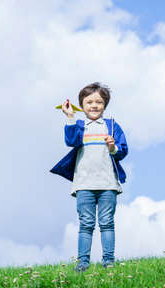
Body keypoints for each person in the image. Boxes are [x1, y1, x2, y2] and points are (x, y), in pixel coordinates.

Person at [50, 82, 128, 272]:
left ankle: (108, 261)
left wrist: (112, 148)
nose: (94, 106)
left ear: (105, 105)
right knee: (86, 224)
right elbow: (71, 141)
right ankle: (83, 263)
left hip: (108, 184)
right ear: (82, 105)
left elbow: (122, 151)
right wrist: (69, 117)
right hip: (84, 184)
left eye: (99, 102)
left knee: (107, 223)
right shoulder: (79, 125)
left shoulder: (111, 126)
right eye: (89, 102)